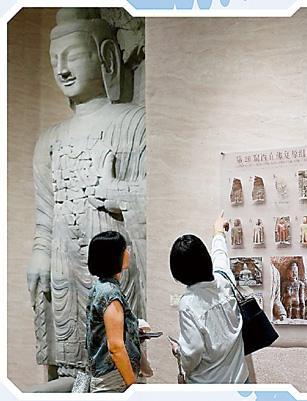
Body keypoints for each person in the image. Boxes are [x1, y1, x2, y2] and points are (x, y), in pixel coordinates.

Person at [27, 8, 146, 385]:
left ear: (106, 56)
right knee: (73, 360)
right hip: (64, 257)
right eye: (54, 60)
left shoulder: (134, 121)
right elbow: (45, 213)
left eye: (72, 56)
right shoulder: (50, 138)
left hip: (113, 253)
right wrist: (40, 253)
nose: (61, 69)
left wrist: (115, 192)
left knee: (115, 347)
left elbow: (150, 195)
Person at [169, 212, 249, 384]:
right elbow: (220, 254)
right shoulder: (224, 279)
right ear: (205, 258)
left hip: (209, 386)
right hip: (240, 379)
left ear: (179, 272)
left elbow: (193, 351)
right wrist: (218, 231)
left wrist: (178, 351)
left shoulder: (188, 303)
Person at [86, 231, 141, 392]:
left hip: (107, 375)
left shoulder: (101, 287)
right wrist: (133, 385)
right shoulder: (110, 293)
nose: (128, 252)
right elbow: (116, 347)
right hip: (113, 378)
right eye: (124, 249)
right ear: (114, 256)